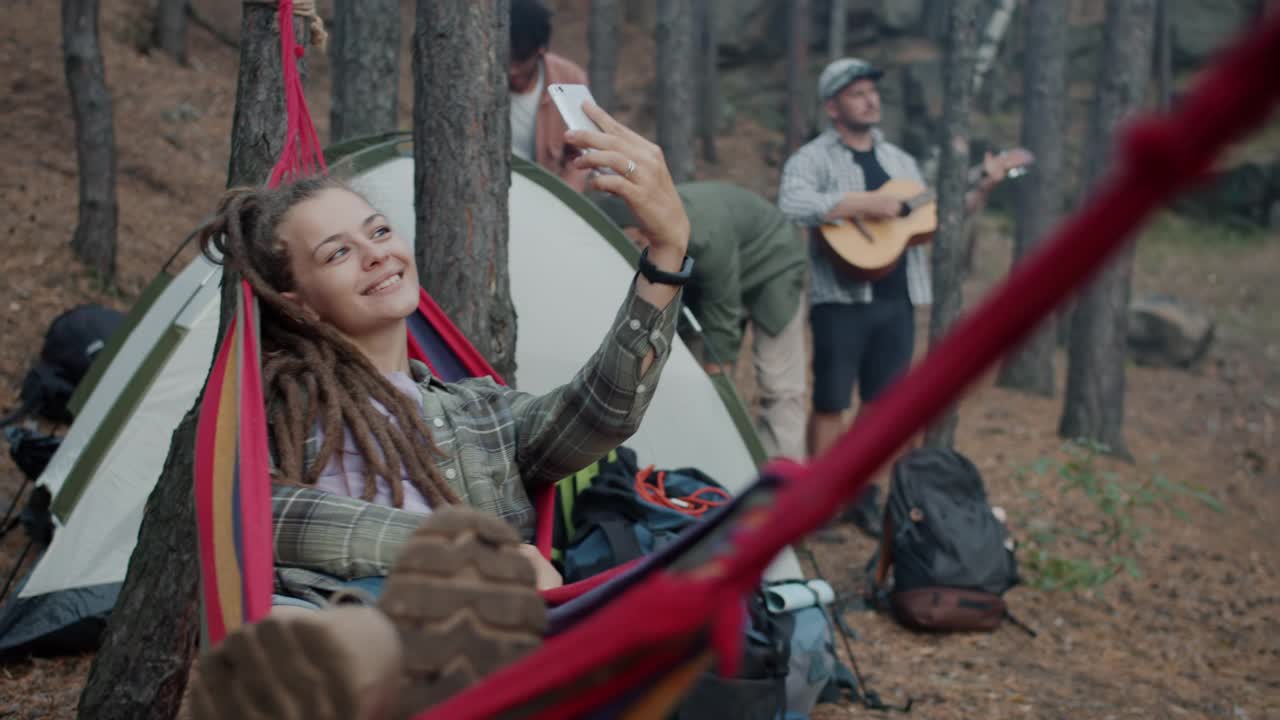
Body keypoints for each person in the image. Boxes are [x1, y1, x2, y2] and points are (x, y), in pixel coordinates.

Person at [183, 104, 692, 720]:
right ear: (298, 303)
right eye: (337, 254)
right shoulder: (279, 401)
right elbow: (264, 512)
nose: (375, 255)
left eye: (377, 232)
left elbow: (603, 412)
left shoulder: (480, 409)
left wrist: (665, 255)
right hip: (344, 632)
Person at [777, 57, 1017, 537]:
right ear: (832, 106)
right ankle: (817, 503)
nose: (871, 99)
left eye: (872, 91)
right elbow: (791, 203)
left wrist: (982, 188)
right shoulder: (813, 158)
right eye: (857, 93)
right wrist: (863, 203)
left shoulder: (901, 162)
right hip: (840, 300)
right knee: (830, 401)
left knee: (881, 408)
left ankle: (861, 494)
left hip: (898, 299)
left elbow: (934, 216)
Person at [595, 181, 808, 460]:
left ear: (647, 224)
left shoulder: (704, 230)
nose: (635, 251)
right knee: (690, 375)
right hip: (708, 276)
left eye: (637, 242)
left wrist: (718, 391)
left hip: (774, 262)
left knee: (778, 382)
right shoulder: (645, 235)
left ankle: (782, 481)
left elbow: (723, 312)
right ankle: (697, 458)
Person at [509, 0, 591, 191]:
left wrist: (566, 199)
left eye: (520, 60)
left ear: (540, 51)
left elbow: (581, 154)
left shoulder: (569, 81)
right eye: (507, 59)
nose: (512, 70)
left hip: (545, 196)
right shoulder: (481, 78)